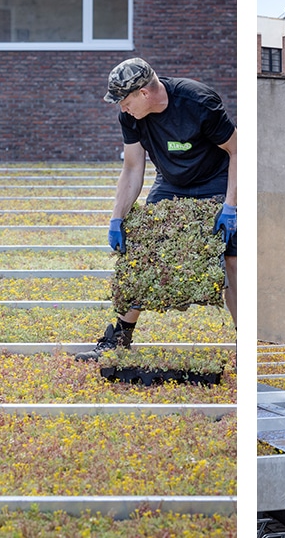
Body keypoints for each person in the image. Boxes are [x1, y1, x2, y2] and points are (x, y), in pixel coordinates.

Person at [76, 58, 237, 361]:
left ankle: (245, 344)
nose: (121, 108)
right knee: (142, 253)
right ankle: (119, 339)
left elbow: (237, 150)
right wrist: (116, 217)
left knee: (231, 259)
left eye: (124, 101)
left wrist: (230, 206)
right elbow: (133, 168)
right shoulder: (132, 117)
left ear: (143, 94)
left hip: (216, 179)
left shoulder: (198, 102)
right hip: (171, 182)